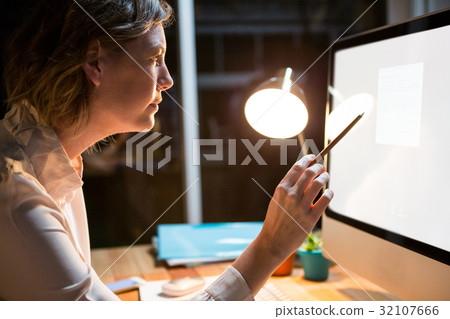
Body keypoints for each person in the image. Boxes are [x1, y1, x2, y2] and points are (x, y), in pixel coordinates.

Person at [0, 0, 333, 300]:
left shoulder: (53, 161)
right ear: (95, 63)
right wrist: (270, 248)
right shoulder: (20, 201)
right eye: (154, 58)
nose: (167, 78)